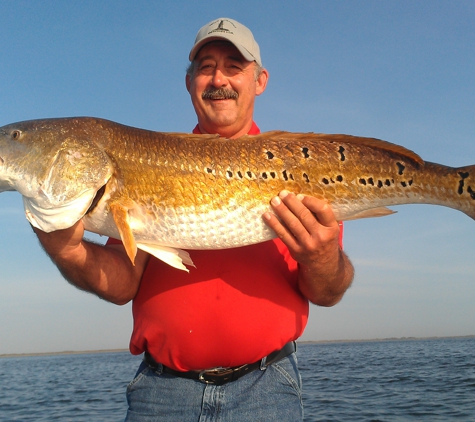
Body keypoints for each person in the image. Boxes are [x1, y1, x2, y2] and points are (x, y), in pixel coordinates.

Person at [34, 18, 354, 421]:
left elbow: (328, 292)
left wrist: (324, 257)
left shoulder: (303, 168)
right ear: (189, 83)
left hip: (267, 390)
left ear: (260, 80)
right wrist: (68, 251)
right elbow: (121, 284)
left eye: (234, 66)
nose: (218, 78)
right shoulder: (145, 160)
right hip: (161, 394)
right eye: (205, 66)